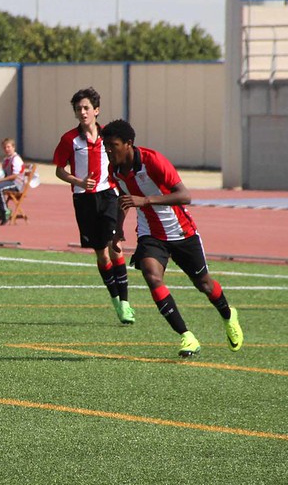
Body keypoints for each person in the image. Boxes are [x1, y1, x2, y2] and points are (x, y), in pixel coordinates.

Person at [100, 119, 244, 358]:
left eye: (113, 145)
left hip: (181, 231)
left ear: (128, 144)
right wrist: (117, 231)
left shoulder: (152, 161)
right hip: (150, 233)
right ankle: (187, 337)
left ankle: (229, 315)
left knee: (204, 284)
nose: (108, 151)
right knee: (151, 275)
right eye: (106, 146)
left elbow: (184, 195)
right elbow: (125, 200)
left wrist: (145, 201)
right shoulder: (114, 170)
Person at [52, 87, 134, 326]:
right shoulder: (69, 140)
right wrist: (78, 181)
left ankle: (126, 303)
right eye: (78, 109)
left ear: (96, 110)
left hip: (109, 194)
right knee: (101, 253)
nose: (83, 112)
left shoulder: (108, 136)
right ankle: (116, 300)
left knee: (114, 245)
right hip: (83, 199)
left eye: (86, 108)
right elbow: (59, 170)